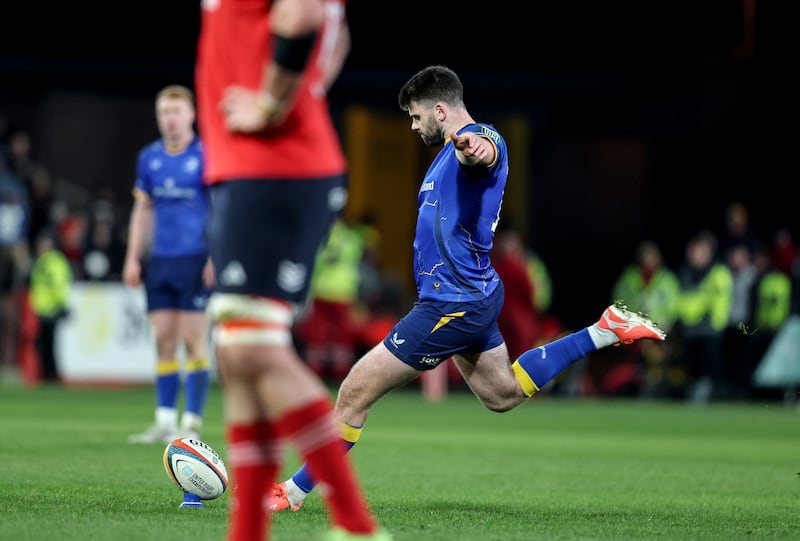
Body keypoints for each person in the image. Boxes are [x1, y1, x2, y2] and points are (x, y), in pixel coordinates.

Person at [268, 64, 667, 513]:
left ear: (441, 109)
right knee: (501, 394)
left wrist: (473, 147)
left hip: (452, 303)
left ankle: (292, 493)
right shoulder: (442, 154)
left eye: (417, 116)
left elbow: (484, 152)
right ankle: (605, 329)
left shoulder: (477, 141)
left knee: (354, 390)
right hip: (470, 295)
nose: (413, 124)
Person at [194, 1, 390, 540]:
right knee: (238, 356)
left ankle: (356, 526)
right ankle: (248, 530)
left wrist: (272, 102)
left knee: (255, 349)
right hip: (254, 166)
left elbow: (302, 14)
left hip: (274, 164)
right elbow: (336, 34)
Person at [124, 84, 215, 444]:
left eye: (176, 112)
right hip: (160, 260)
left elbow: (220, 210)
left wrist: (216, 256)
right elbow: (142, 209)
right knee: (163, 339)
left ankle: (191, 423)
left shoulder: (207, 155)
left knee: (194, 340)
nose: (170, 119)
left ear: (191, 114)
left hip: (195, 258)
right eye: (164, 112)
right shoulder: (149, 157)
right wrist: (133, 257)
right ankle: (164, 421)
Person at [28, 229, 72, 383]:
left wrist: (61, 304)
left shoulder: (54, 262)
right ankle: (46, 373)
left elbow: (59, 285)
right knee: (43, 343)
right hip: (40, 309)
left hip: (52, 309)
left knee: (49, 344)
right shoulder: (42, 262)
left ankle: (51, 374)